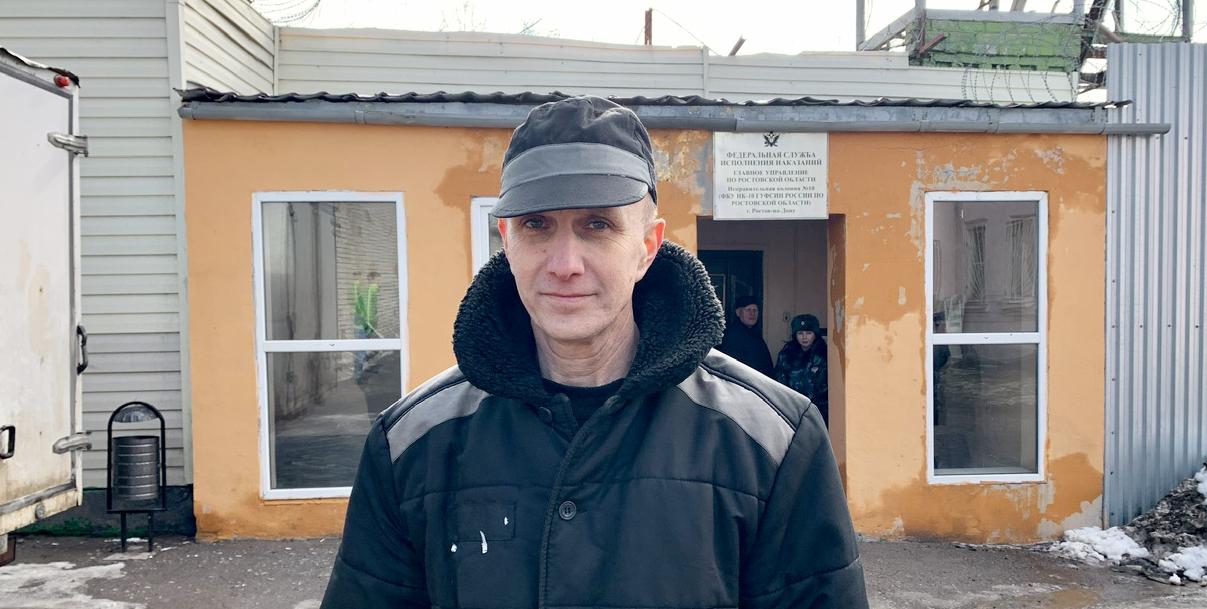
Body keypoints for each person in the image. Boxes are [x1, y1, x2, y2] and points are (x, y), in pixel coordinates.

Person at [320, 96, 867, 609]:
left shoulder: (772, 441)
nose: (565, 264)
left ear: (647, 247)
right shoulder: (411, 445)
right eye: (537, 225)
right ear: (507, 240)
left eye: (598, 224)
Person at [775, 314, 830, 426]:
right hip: (793, 411)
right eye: (800, 333)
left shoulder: (824, 355)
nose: (804, 337)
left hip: (819, 412)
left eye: (809, 333)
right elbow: (780, 382)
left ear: (815, 334)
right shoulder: (786, 355)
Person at [718, 293, 775, 377]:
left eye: (755, 310)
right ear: (738, 312)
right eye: (748, 310)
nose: (752, 313)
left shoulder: (756, 335)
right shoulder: (732, 336)